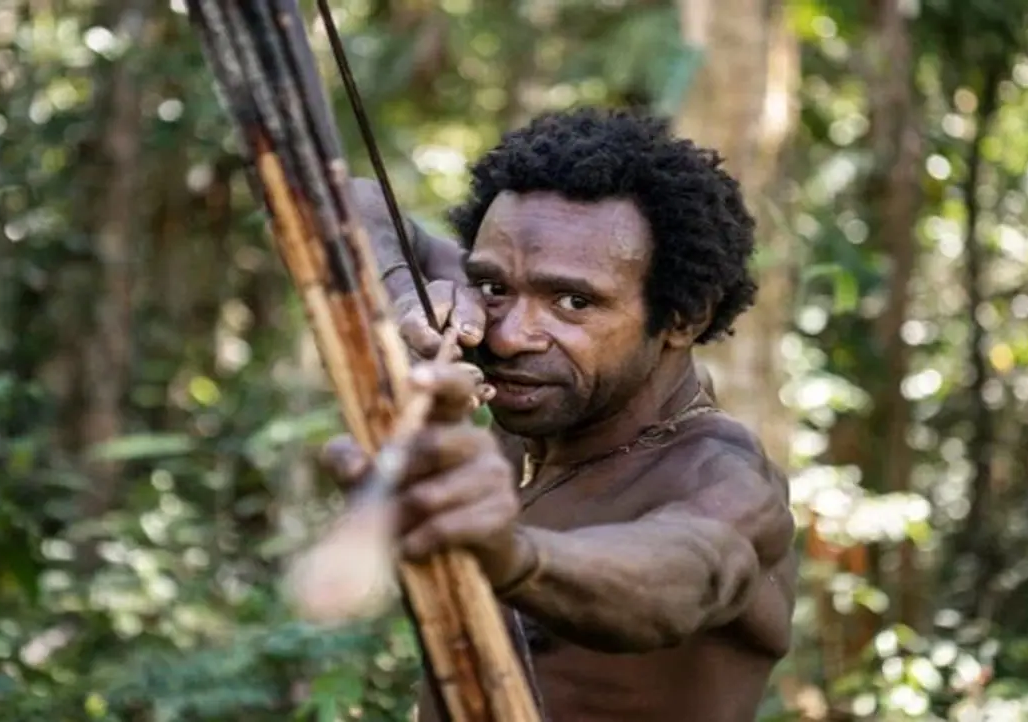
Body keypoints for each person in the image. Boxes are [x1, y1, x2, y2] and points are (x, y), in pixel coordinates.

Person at [324, 108, 797, 722]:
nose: (514, 334)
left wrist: (511, 557)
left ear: (683, 319)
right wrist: (404, 293)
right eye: (494, 288)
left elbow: (683, 574)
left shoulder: (720, 478)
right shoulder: (539, 393)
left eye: (573, 302)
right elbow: (348, 202)